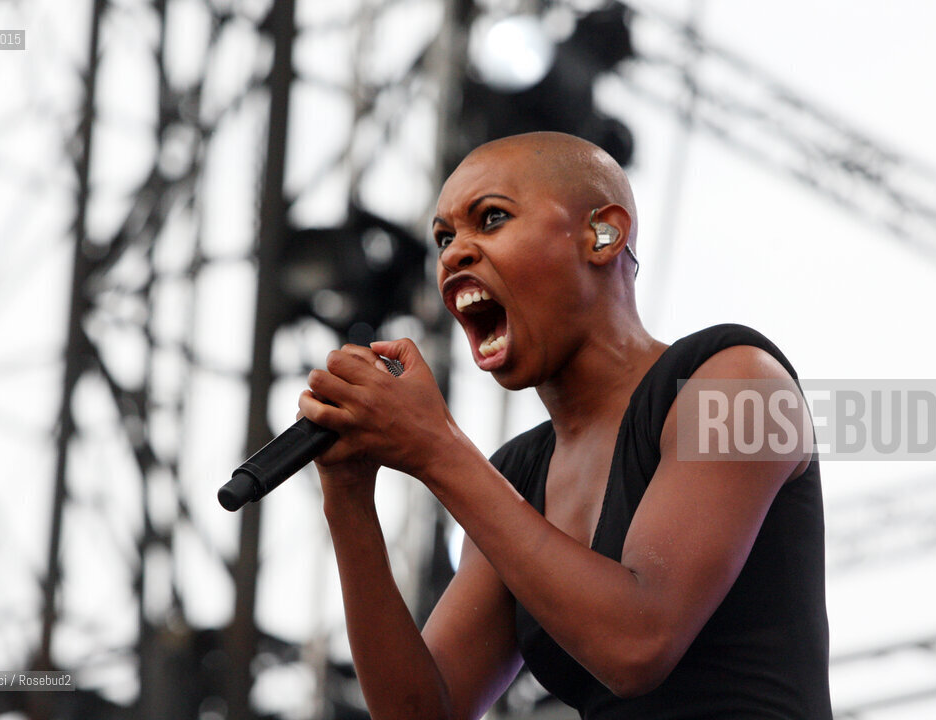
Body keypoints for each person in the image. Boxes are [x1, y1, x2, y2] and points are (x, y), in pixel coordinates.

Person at [298, 131, 832, 719]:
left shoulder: (736, 383)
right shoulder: (518, 476)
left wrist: (434, 448)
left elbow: (638, 644)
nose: (453, 254)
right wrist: (347, 500)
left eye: (491, 218)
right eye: (445, 238)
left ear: (603, 235)